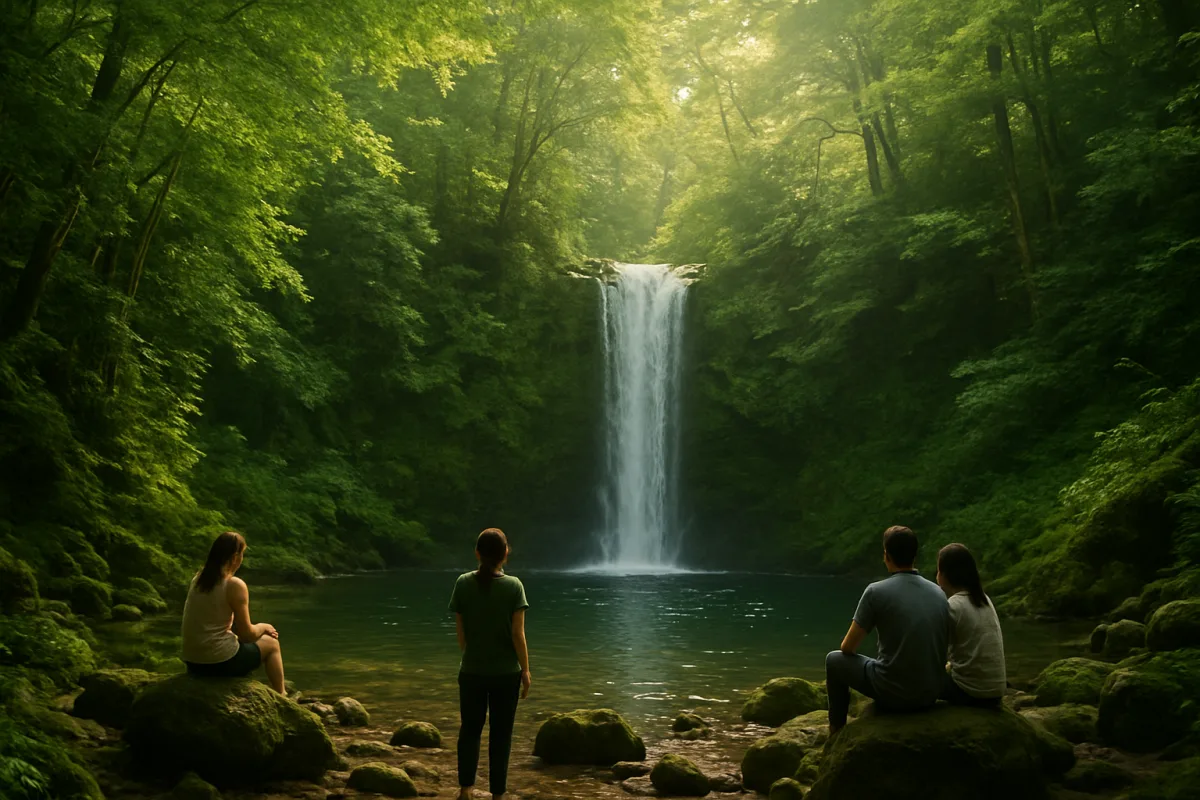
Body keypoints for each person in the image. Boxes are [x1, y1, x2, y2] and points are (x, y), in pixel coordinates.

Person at [825, 525, 949, 735]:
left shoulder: (876, 591)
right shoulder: (938, 592)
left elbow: (847, 647)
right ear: (914, 556)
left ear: (886, 555)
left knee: (833, 660)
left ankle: (836, 731)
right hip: (930, 694)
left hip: (894, 693)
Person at [449, 528, 531, 800]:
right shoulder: (514, 586)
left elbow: (461, 631)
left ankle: (466, 790)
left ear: (477, 553)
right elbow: (518, 634)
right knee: (501, 735)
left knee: (470, 731)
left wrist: (472, 654)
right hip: (506, 674)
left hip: (471, 671)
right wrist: (526, 670)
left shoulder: (463, 583)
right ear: (505, 554)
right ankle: (497, 794)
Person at [180, 531, 286, 694]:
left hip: (193, 662)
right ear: (235, 557)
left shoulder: (199, 579)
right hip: (219, 662)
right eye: (242, 554)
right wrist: (264, 627)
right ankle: (281, 695)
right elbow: (248, 635)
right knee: (271, 644)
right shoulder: (234, 584)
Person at [936, 543, 1006, 706]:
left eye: (938, 570)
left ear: (945, 574)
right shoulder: (984, 599)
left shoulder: (953, 605)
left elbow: (935, 651)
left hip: (971, 692)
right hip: (996, 691)